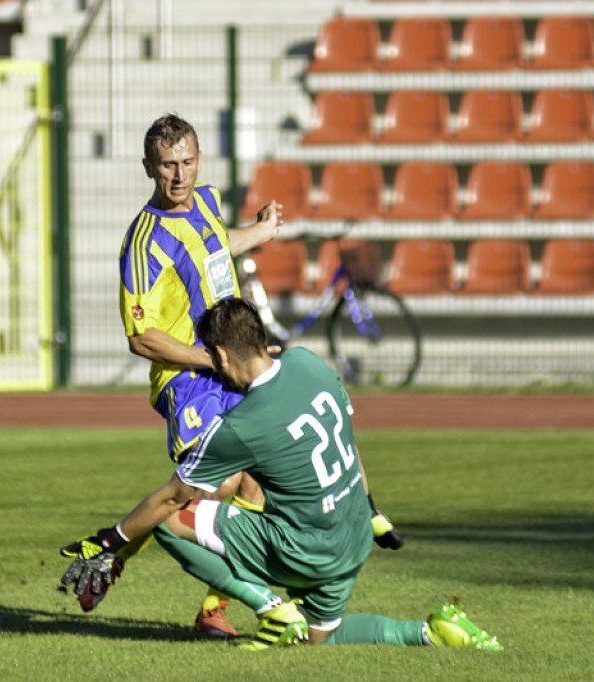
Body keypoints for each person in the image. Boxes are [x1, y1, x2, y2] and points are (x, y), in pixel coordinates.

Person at [79, 113, 401, 637]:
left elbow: (215, 247)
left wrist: (264, 230)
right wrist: (213, 358)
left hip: (226, 365)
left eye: (186, 162)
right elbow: (140, 338)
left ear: (199, 159)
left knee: (259, 479)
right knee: (216, 481)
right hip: (188, 377)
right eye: (166, 166)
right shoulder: (141, 243)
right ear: (148, 168)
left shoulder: (204, 199)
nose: (178, 175)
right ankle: (114, 553)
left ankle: (214, 608)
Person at [60, 297, 502, 653]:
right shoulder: (310, 362)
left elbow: (172, 498)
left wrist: (111, 540)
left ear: (219, 355)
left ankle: (268, 604)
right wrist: (370, 511)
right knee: (314, 640)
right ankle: (431, 632)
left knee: (170, 521)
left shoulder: (240, 426)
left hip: (307, 549)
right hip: (352, 536)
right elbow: (349, 441)